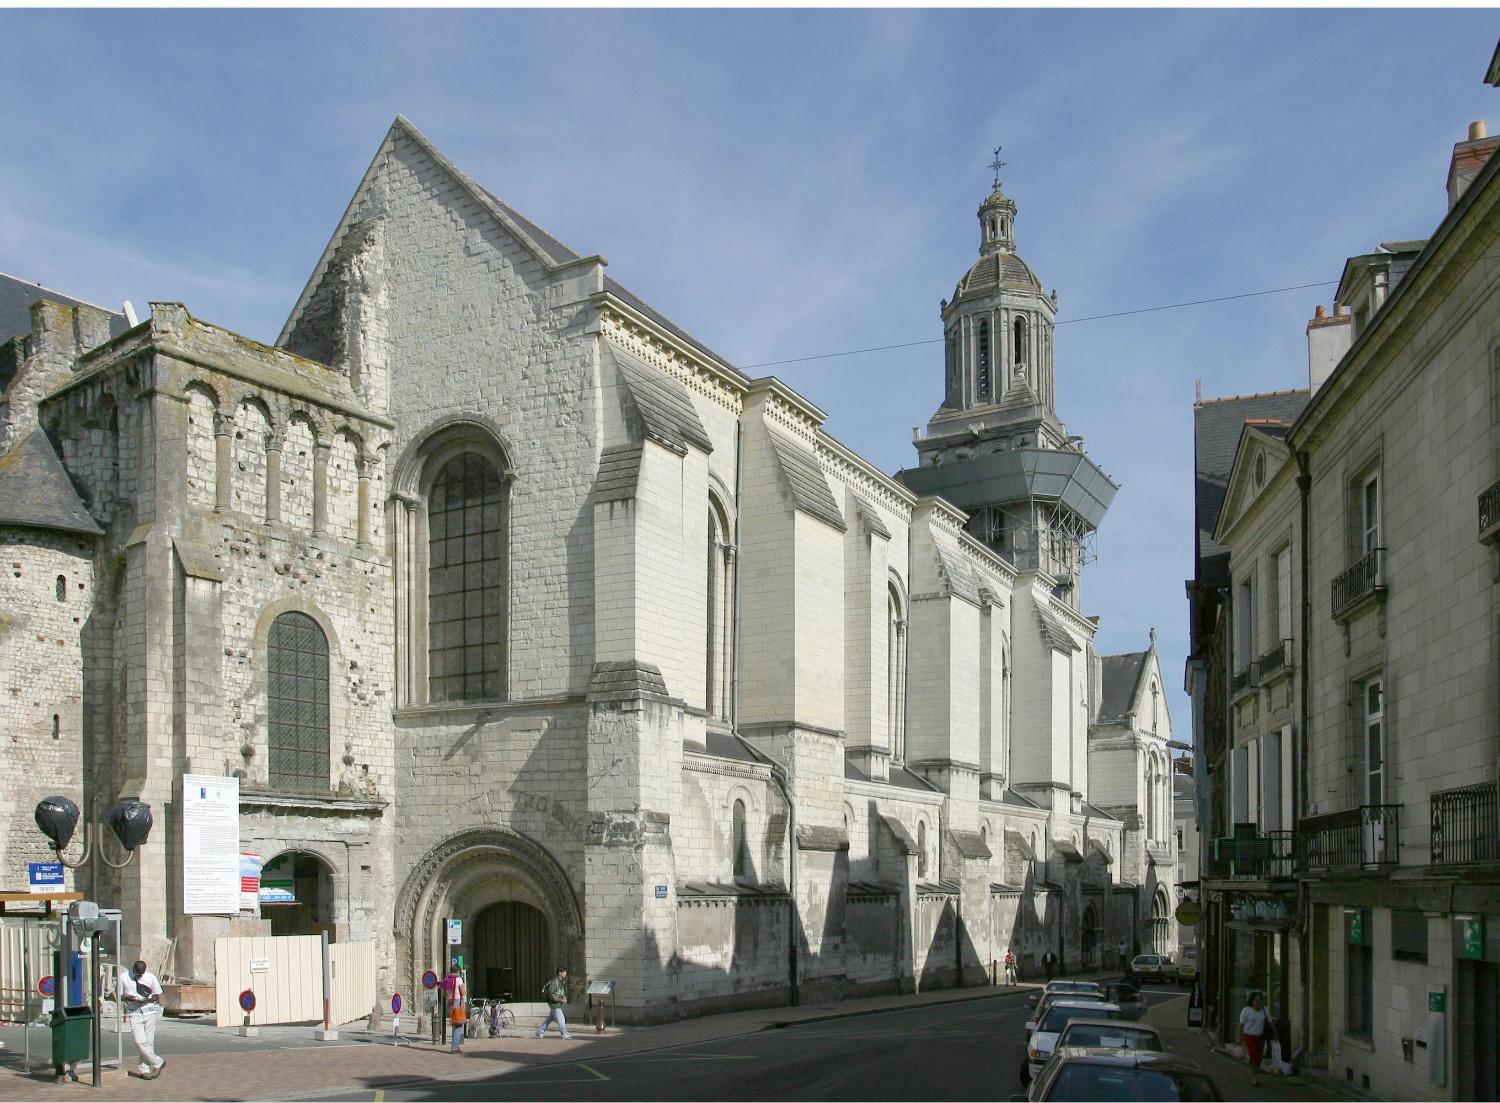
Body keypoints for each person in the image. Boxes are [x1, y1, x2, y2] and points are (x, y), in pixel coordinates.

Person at [118, 959, 165, 1079]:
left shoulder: (150, 978)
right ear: (133, 969)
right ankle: (157, 1062)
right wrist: (130, 998)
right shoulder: (124, 977)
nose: (139, 976)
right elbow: (119, 995)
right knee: (139, 1041)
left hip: (149, 1012)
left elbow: (157, 995)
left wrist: (147, 1000)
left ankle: (144, 1070)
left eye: (141, 973)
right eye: (137, 973)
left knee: (148, 1042)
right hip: (135, 1013)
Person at [1240, 991, 1271, 1085]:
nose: (1258, 1002)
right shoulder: (1246, 1010)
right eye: (1257, 1000)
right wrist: (1239, 1037)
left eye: (1260, 1000)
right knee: (1254, 1055)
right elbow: (1241, 1025)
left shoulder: (1265, 1010)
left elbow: (1270, 1022)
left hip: (1260, 1036)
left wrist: (1275, 1034)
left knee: (1259, 1057)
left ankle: (1256, 1073)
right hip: (1249, 1036)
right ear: (1252, 1001)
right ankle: (1254, 1078)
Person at [536, 966, 572, 1040]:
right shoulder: (554, 982)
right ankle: (564, 1034)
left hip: (556, 1003)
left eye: (565, 972)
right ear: (560, 973)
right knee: (561, 1019)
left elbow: (560, 992)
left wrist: (564, 997)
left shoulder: (561, 982)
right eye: (564, 972)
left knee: (550, 1018)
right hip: (554, 1004)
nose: (565, 973)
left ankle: (540, 1032)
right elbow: (551, 994)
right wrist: (560, 1000)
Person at [444, 962, 467, 1053]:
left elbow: (444, 993)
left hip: (450, 1002)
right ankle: (454, 1047)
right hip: (457, 1002)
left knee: (455, 1024)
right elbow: (462, 991)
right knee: (459, 1025)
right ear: (458, 971)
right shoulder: (458, 979)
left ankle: (456, 1047)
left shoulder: (446, 979)